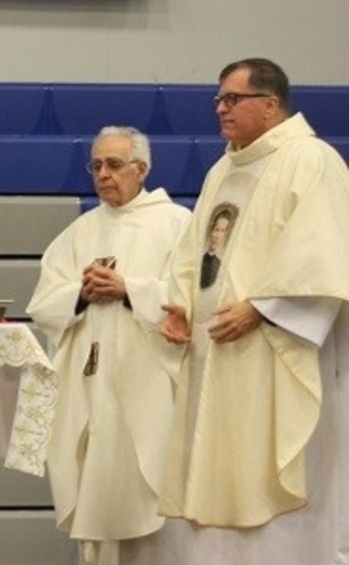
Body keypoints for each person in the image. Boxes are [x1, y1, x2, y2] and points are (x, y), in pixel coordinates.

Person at [151, 58, 349, 565]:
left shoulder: (311, 159)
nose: (220, 109)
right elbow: (197, 253)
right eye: (218, 99)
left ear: (270, 104)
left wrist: (262, 308)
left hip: (273, 352)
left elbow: (324, 253)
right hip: (213, 350)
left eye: (231, 99)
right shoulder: (225, 168)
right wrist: (182, 306)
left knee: (271, 478)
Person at [25, 126, 190, 565]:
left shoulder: (176, 223)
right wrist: (79, 295)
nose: (103, 174)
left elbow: (191, 297)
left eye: (114, 165)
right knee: (94, 487)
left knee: (149, 493)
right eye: (96, 165)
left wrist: (129, 288)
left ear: (142, 168)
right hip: (91, 384)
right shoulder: (81, 230)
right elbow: (43, 302)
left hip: (148, 384)